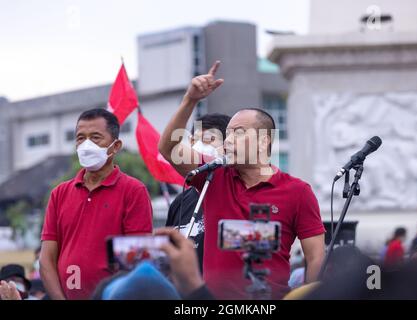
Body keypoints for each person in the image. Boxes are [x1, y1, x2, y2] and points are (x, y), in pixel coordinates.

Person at [158, 61, 325, 299]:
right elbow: (168, 148)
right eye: (227, 135)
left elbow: (315, 256)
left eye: (238, 133)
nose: (228, 141)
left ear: (265, 140)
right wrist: (190, 100)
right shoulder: (213, 177)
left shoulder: (298, 191)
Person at [40, 108, 153, 300]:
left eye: (95, 137)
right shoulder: (59, 193)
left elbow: (137, 261)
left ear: (115, 146)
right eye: (80, 138)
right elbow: (46, 259)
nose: (86, 145)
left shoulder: (134, 191)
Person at [165, 113, 230, 273]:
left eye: (209, 140)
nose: (199, 146)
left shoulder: (235, 194)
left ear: (227, 146)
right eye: (193, 140)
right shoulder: (180, 202)